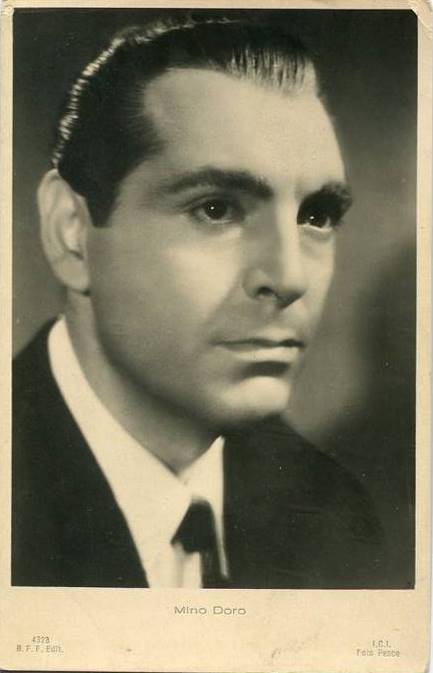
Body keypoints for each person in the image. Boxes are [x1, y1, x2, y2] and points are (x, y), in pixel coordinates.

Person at [12, 15, 387, 589]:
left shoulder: (334, 514)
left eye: (316, 216)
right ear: (72, 233)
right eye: (216, 209)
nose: (289, 278)